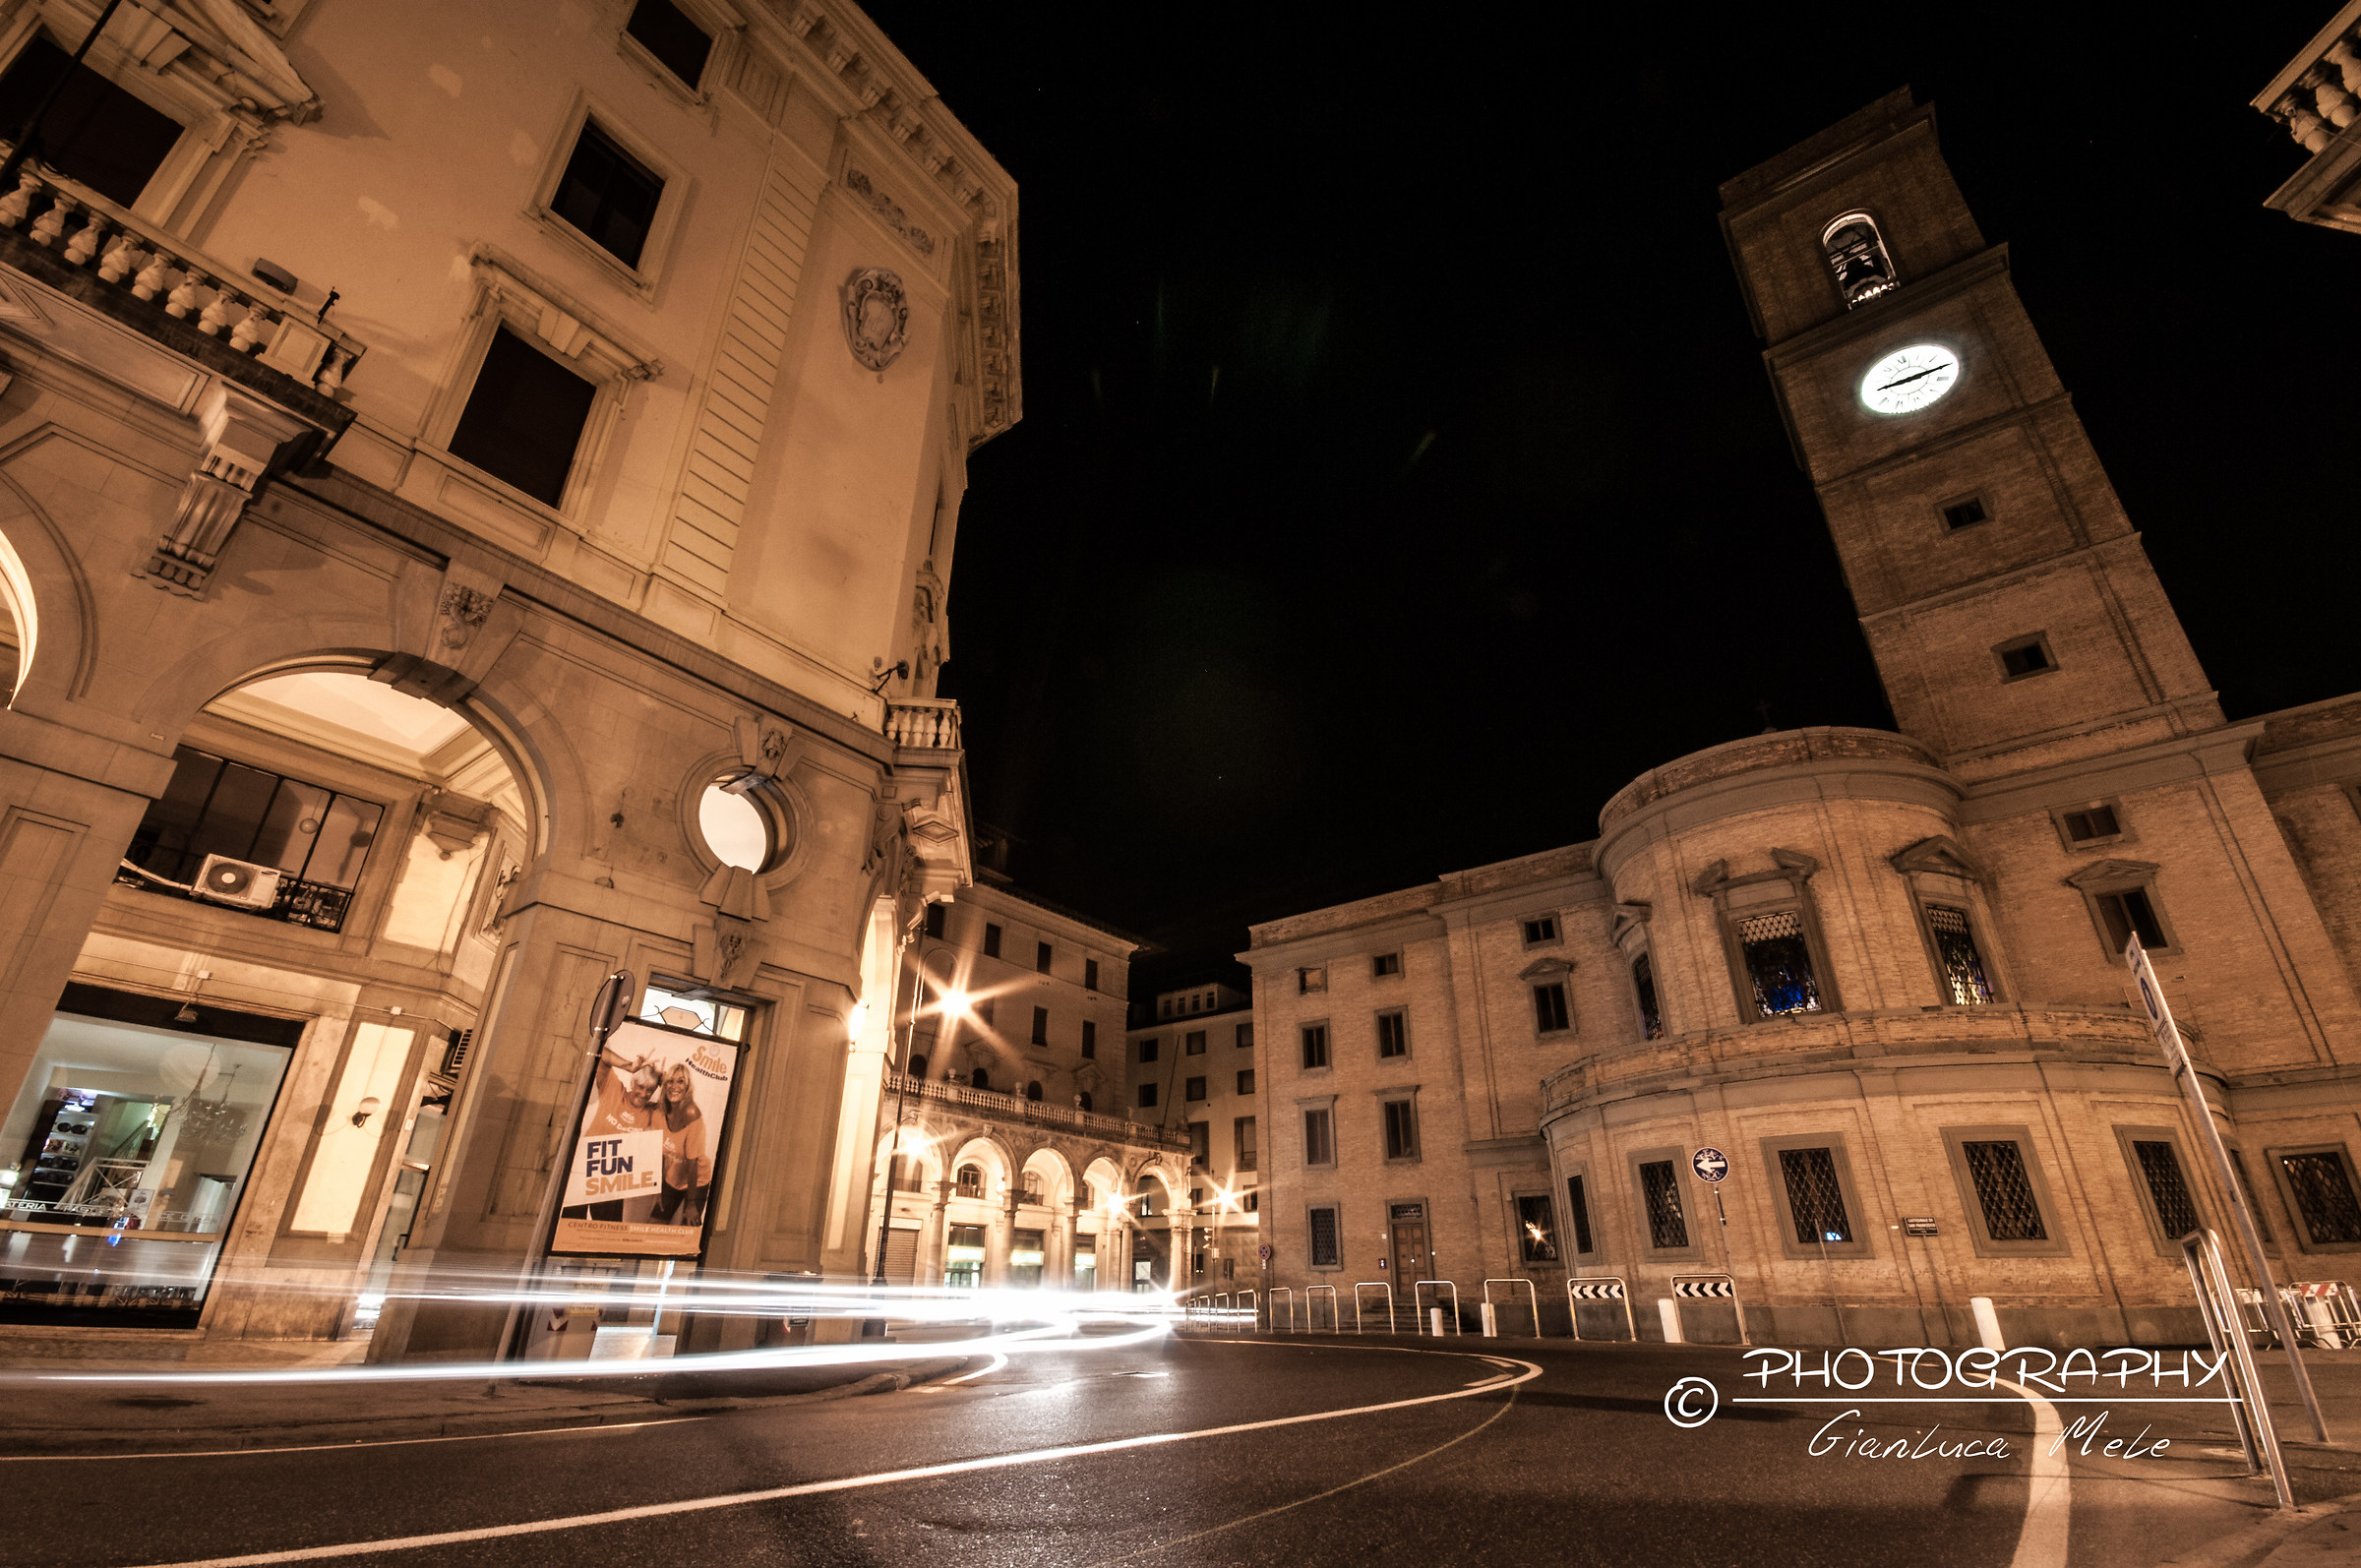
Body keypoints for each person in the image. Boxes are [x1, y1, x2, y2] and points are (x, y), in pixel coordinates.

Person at [563, 1048, 661, 1223]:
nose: (644, 1094)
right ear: (633, 1083)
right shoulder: (614, 1090)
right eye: (641, 1087)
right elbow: (601, 1054)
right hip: (586, 1167)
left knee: (607, 1229)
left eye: (650, 1090)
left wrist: (666, 1080)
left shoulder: (652, 1111)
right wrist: (629, 1066)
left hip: (613, 1177)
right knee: (569, 1224)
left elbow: (677, 1107)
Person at [649, 1062, 711, 1227]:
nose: (674, 1086)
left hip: (697, 1179)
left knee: (688, 1231)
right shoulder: (658, 1114)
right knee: (652, 1227)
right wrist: (658, 1189)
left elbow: (693, 1164)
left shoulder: (692, 1114)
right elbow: (657, 1155)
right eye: (670, 1081)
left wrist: (691, 1204)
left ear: (687, 1087)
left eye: (680, 1081)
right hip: (672, 1179)